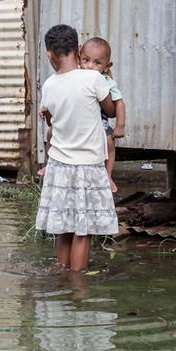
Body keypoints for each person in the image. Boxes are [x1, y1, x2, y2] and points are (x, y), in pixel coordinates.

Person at [36, 24, 119, 271]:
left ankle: (61, 276)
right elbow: (111, 112)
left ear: (49, 55)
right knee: (82, 232)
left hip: (59, 167)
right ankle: (78, 288)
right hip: (89, 166)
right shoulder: (94, 79)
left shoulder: (49, 85)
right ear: (78, 49)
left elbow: (51, 119)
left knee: (63, 227)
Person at [79, 37, 126, 193]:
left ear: (107, 66)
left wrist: (120, 126)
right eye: (86, 60)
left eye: (97, 63)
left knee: (109, 143)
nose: (90, 66)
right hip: (79, 125)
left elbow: (119, 102)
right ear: (79, 58)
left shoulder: (106, 81)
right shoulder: (76, 76)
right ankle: (50, 165)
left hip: (100, 125)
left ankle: (108, 175)